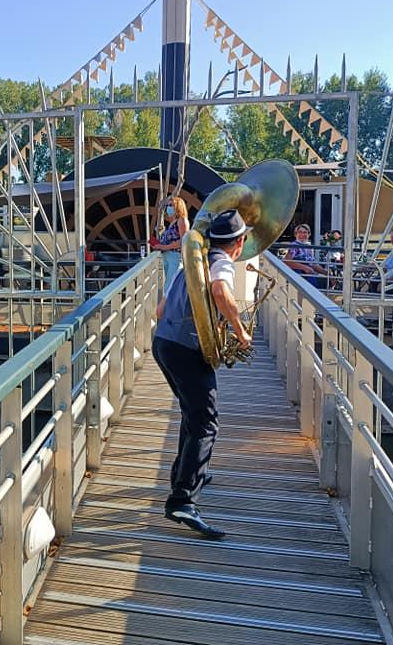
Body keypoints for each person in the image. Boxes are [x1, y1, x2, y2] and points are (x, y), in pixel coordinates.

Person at [152, 208, 253, 540]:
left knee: (191, 413)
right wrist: (240, 331)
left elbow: (160, 310)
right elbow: (221, 293)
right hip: (186, 350)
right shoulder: (221, 261)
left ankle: (186, 474)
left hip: (164, 343)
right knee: (206, 421)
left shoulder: (191, 261)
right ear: (238, 243)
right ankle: (183, 499)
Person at [151, 196, 189, 294]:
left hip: (175, 257)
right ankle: (168, 308)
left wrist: (164, 247)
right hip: (166, 257)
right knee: (167, 286)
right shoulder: (172, 223)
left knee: (170, 287)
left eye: (171, 205)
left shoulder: (182, 220)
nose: (168, 208)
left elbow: (183, 241)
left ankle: (170, 308)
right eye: (168, 205)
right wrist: (158, 245)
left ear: (178, 206)